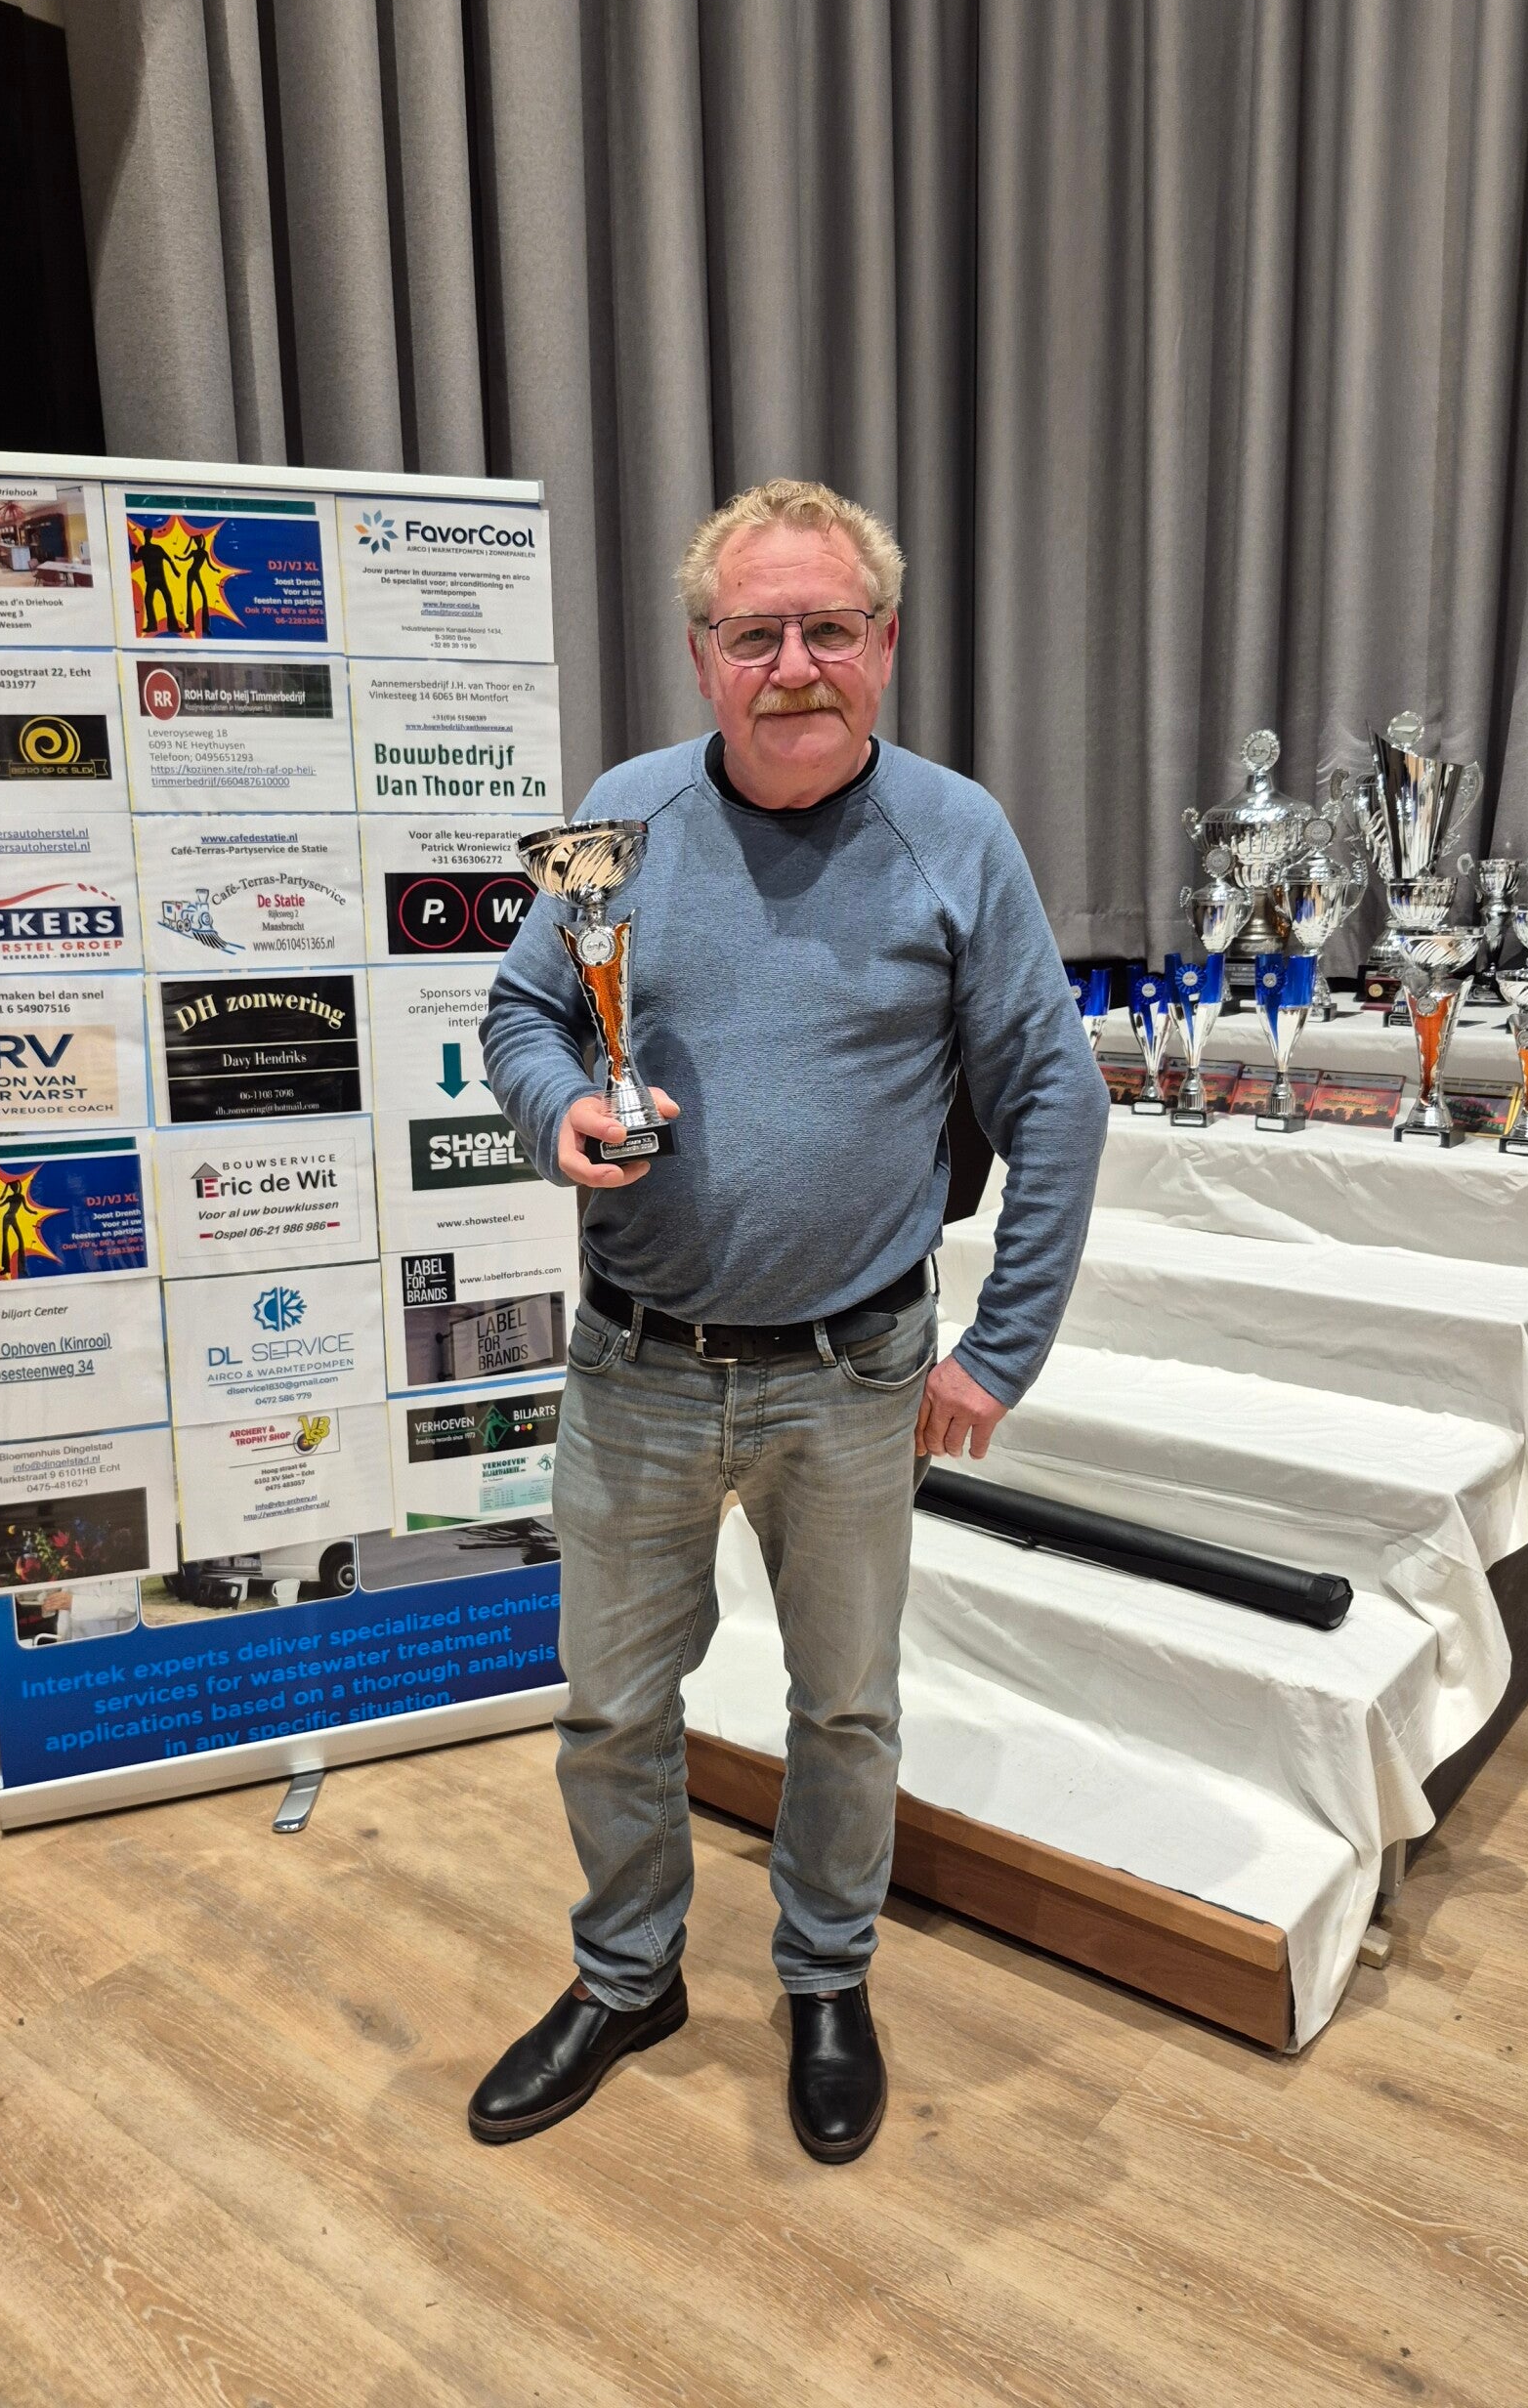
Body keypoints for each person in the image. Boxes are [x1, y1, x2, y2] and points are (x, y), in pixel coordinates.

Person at [474, 478, 1107, 2164]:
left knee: (843, 1709)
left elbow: (1056, 1100)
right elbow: (526, 1011)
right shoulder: (622, 816)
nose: (795, 665)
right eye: (755, 633)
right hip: (637, 1367)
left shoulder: (956, 834)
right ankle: (628, 1979)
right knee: (612, 1709)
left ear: (885, 644)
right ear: (702, 655)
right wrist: (555, 1108)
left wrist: (1002, 1348)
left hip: (855, 1379)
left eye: (830, 627)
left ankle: (826, 1979)